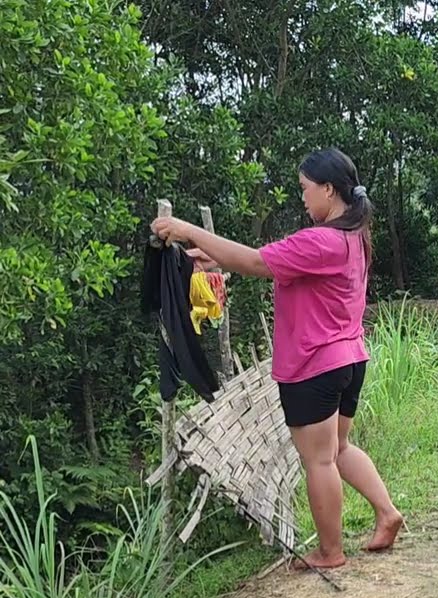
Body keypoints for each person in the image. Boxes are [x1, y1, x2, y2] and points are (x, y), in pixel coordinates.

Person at [151, 148, 403, 570]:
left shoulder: (320, 240)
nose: (302, 198)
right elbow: (264, 261)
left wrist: (187, 230)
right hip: (349, 357)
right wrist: (215, 257)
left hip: (315, 364)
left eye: (305, 189)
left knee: (318, 459)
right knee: (339, 447)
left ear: (328, 189)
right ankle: (387, 512)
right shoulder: (352, 237)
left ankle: (329, 552)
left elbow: (254, 260)